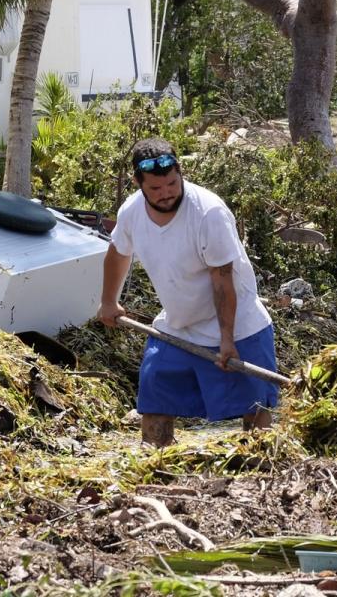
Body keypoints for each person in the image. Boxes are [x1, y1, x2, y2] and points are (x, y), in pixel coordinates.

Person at [97, 137, 278, 447]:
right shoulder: (132, 211)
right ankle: (155, 465)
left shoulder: (208, 213)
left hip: (239, 326)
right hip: (178, 326)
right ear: (138, 183)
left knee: (255, 408)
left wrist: (226, 339)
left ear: (180, 172)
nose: (166, 193)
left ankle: (263, 472)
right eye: (155, 189)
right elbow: (118, 252)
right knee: (155, 397)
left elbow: (223, 280)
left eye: (171, 183)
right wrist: (108, 301)